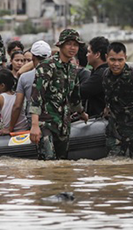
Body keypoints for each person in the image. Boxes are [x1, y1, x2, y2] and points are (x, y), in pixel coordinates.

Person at [29, 29, 89, 160]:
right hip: (46, 124)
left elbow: (74, 97)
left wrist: (82, 113)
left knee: (61, 165)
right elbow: (36, 96)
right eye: (69, 44)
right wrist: (34, 125)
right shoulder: (47, 66)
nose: (72, 48)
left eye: (75, 45)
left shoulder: (73, 70)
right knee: (48, 162)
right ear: (60, 45)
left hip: (63, 125)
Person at [0, 40, 51, 135]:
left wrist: (10, 128)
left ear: (33, 57)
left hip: (35, 124)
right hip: (56, 121)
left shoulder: (25, 77)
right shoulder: (59, 74)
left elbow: (17, 106)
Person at [80, 36, 109, 117]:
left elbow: (80, 92)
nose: (86, 55)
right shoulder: (98, 71)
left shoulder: (101, 74)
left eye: (89, 52)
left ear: (97, 54)